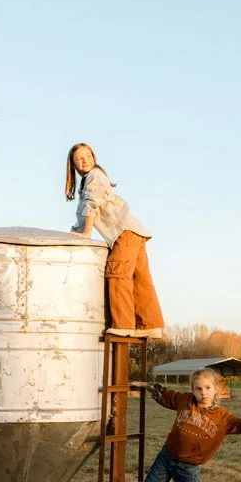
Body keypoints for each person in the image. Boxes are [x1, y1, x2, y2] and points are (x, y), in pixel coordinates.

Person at [65, 142, 164, 337]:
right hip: (135, 231)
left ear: (94, 158)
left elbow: (91, 205)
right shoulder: (94, 178)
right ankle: (149, 325)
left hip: (123, 232)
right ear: (73, 165)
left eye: (88, 156)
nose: (84, 160)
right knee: (140, 278)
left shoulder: (94, 176)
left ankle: (123, 326)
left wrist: (85, 234)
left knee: (117, 274)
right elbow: (83, 214)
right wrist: (75, 231)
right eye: (79, 158)